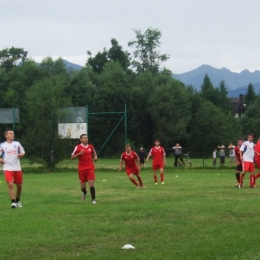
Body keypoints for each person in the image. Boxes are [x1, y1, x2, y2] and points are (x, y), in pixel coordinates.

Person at [0, 130, 25, 208]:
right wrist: (0, 160)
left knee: (19, 186)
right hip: (7, 168)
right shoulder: (2, 145)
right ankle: (13, 202)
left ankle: (18, 200)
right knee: (10, 184)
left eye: (13, 133)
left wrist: (21, 155)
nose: (12, 135)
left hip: (17, 168)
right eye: (10, 134)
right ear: (6, 136)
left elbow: (23, 152)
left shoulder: (17, 144)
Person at [71, 134, 97, 204]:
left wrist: (95, 157)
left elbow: (94, 154)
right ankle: (84, 192)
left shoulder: (90, 147)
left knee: (91, 183)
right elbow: (72, 157)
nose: (86, 139)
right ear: (81, 140)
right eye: (84, 138)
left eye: (86, 138)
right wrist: (79, 154)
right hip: (82, 169)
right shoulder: (78, 147)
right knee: (82, 187)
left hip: (90, 168)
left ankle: (93, 200)